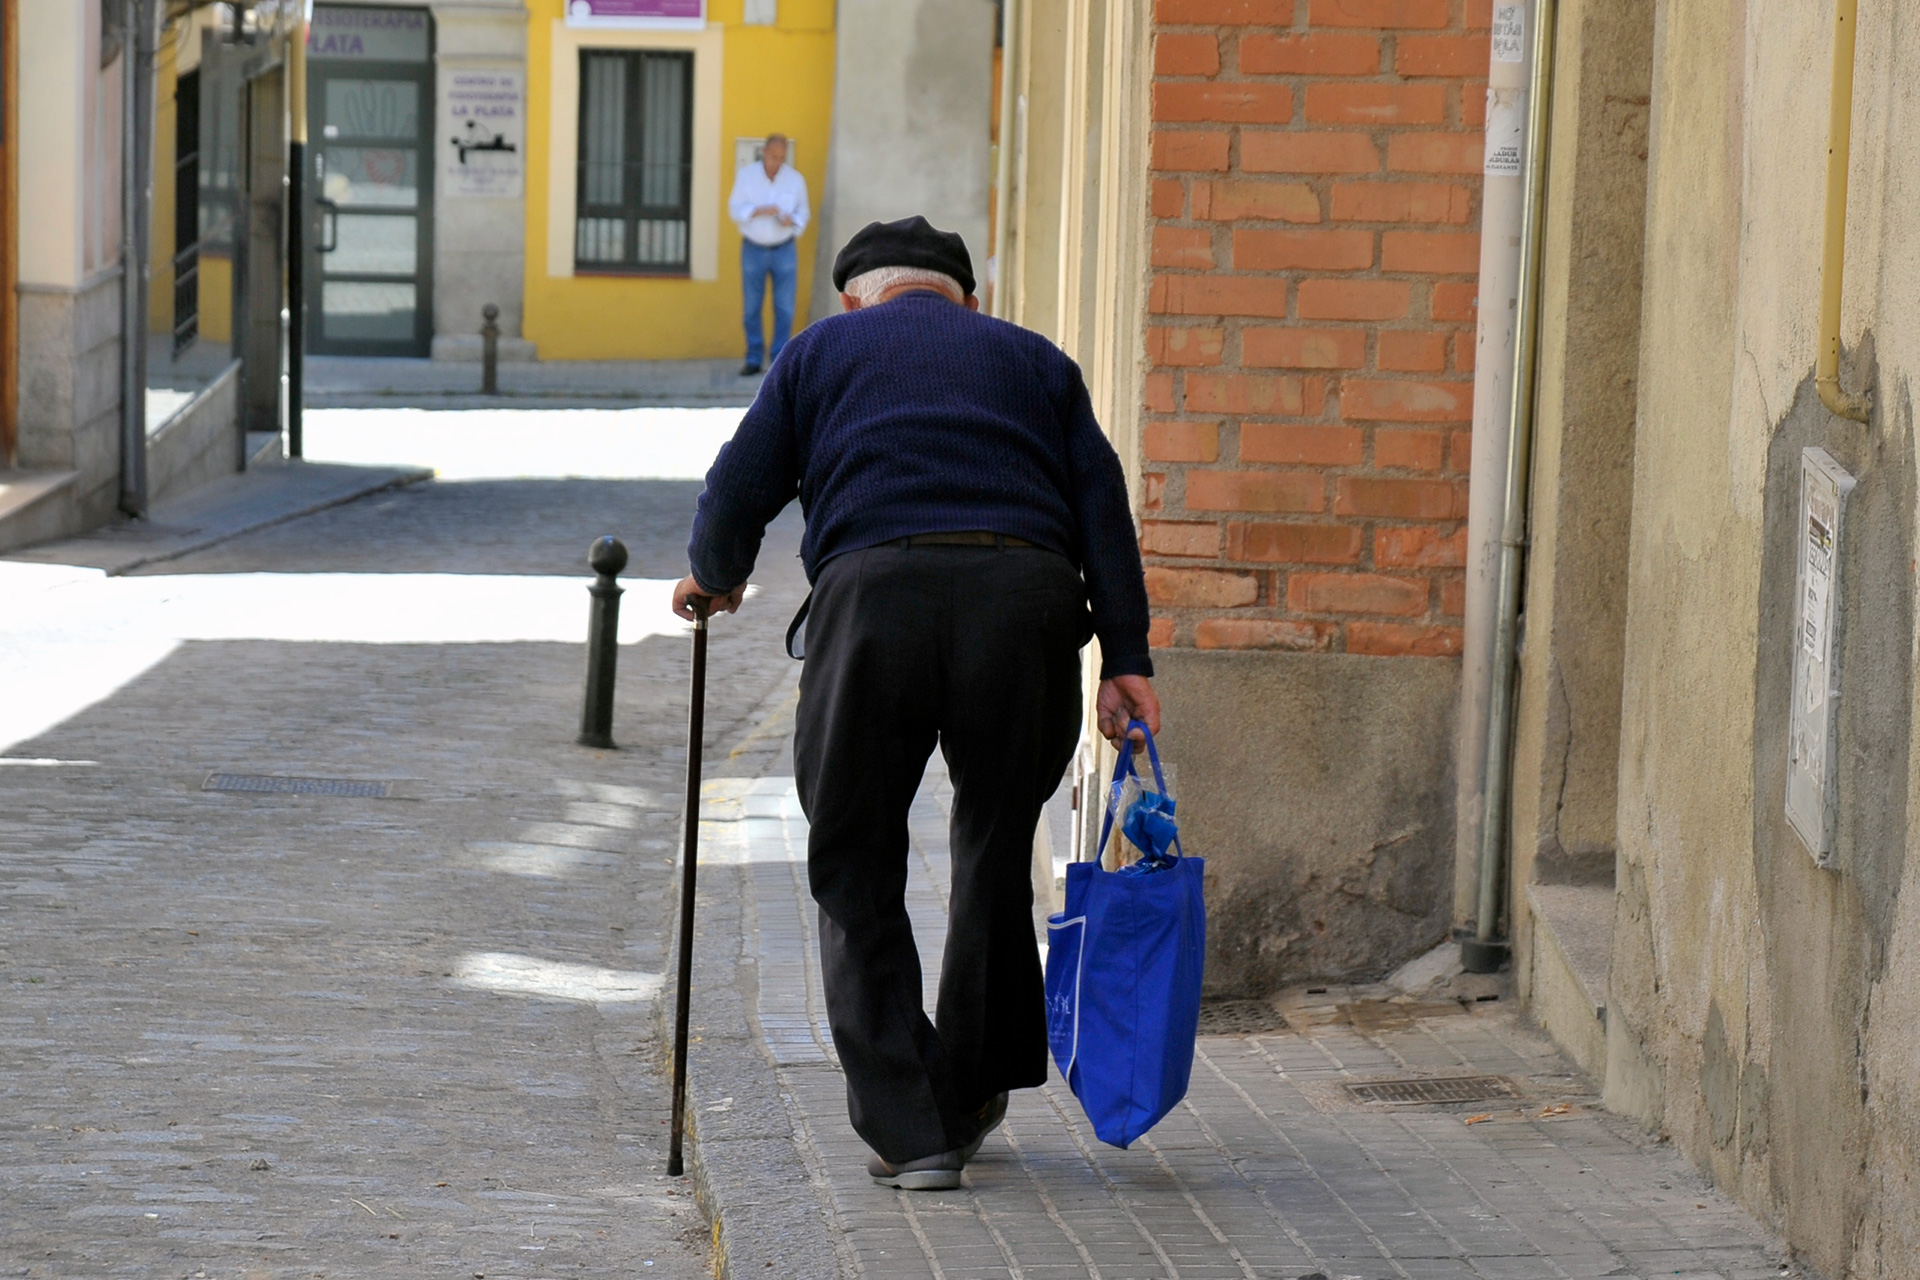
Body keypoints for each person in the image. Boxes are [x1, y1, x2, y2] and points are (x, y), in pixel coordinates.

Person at [673, 216, 1159, 1191]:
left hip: (873, 602)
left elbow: (740, 484)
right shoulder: (1035, 360)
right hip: (1024, 601)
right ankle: (972, 1088)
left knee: (854, 851)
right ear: (966, 300)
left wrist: (712, 574)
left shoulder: (820, 350)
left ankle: (911, 1125)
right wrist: (1126, 656)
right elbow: (1102, 502)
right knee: (990, 846)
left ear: (857, 297)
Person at [726, 133, 809, 376]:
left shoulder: (795, 180)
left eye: (782, 157)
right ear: (764, 152)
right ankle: (753, 358)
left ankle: (779, 361)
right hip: (753, 248)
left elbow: (804, 212)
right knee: (752, 307)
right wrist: (759, 210)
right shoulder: (747, 176)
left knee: (784, 308)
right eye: (774, 156)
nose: (777, 161)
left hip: (784, 248)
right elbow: (734, 209)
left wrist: (791, 220)